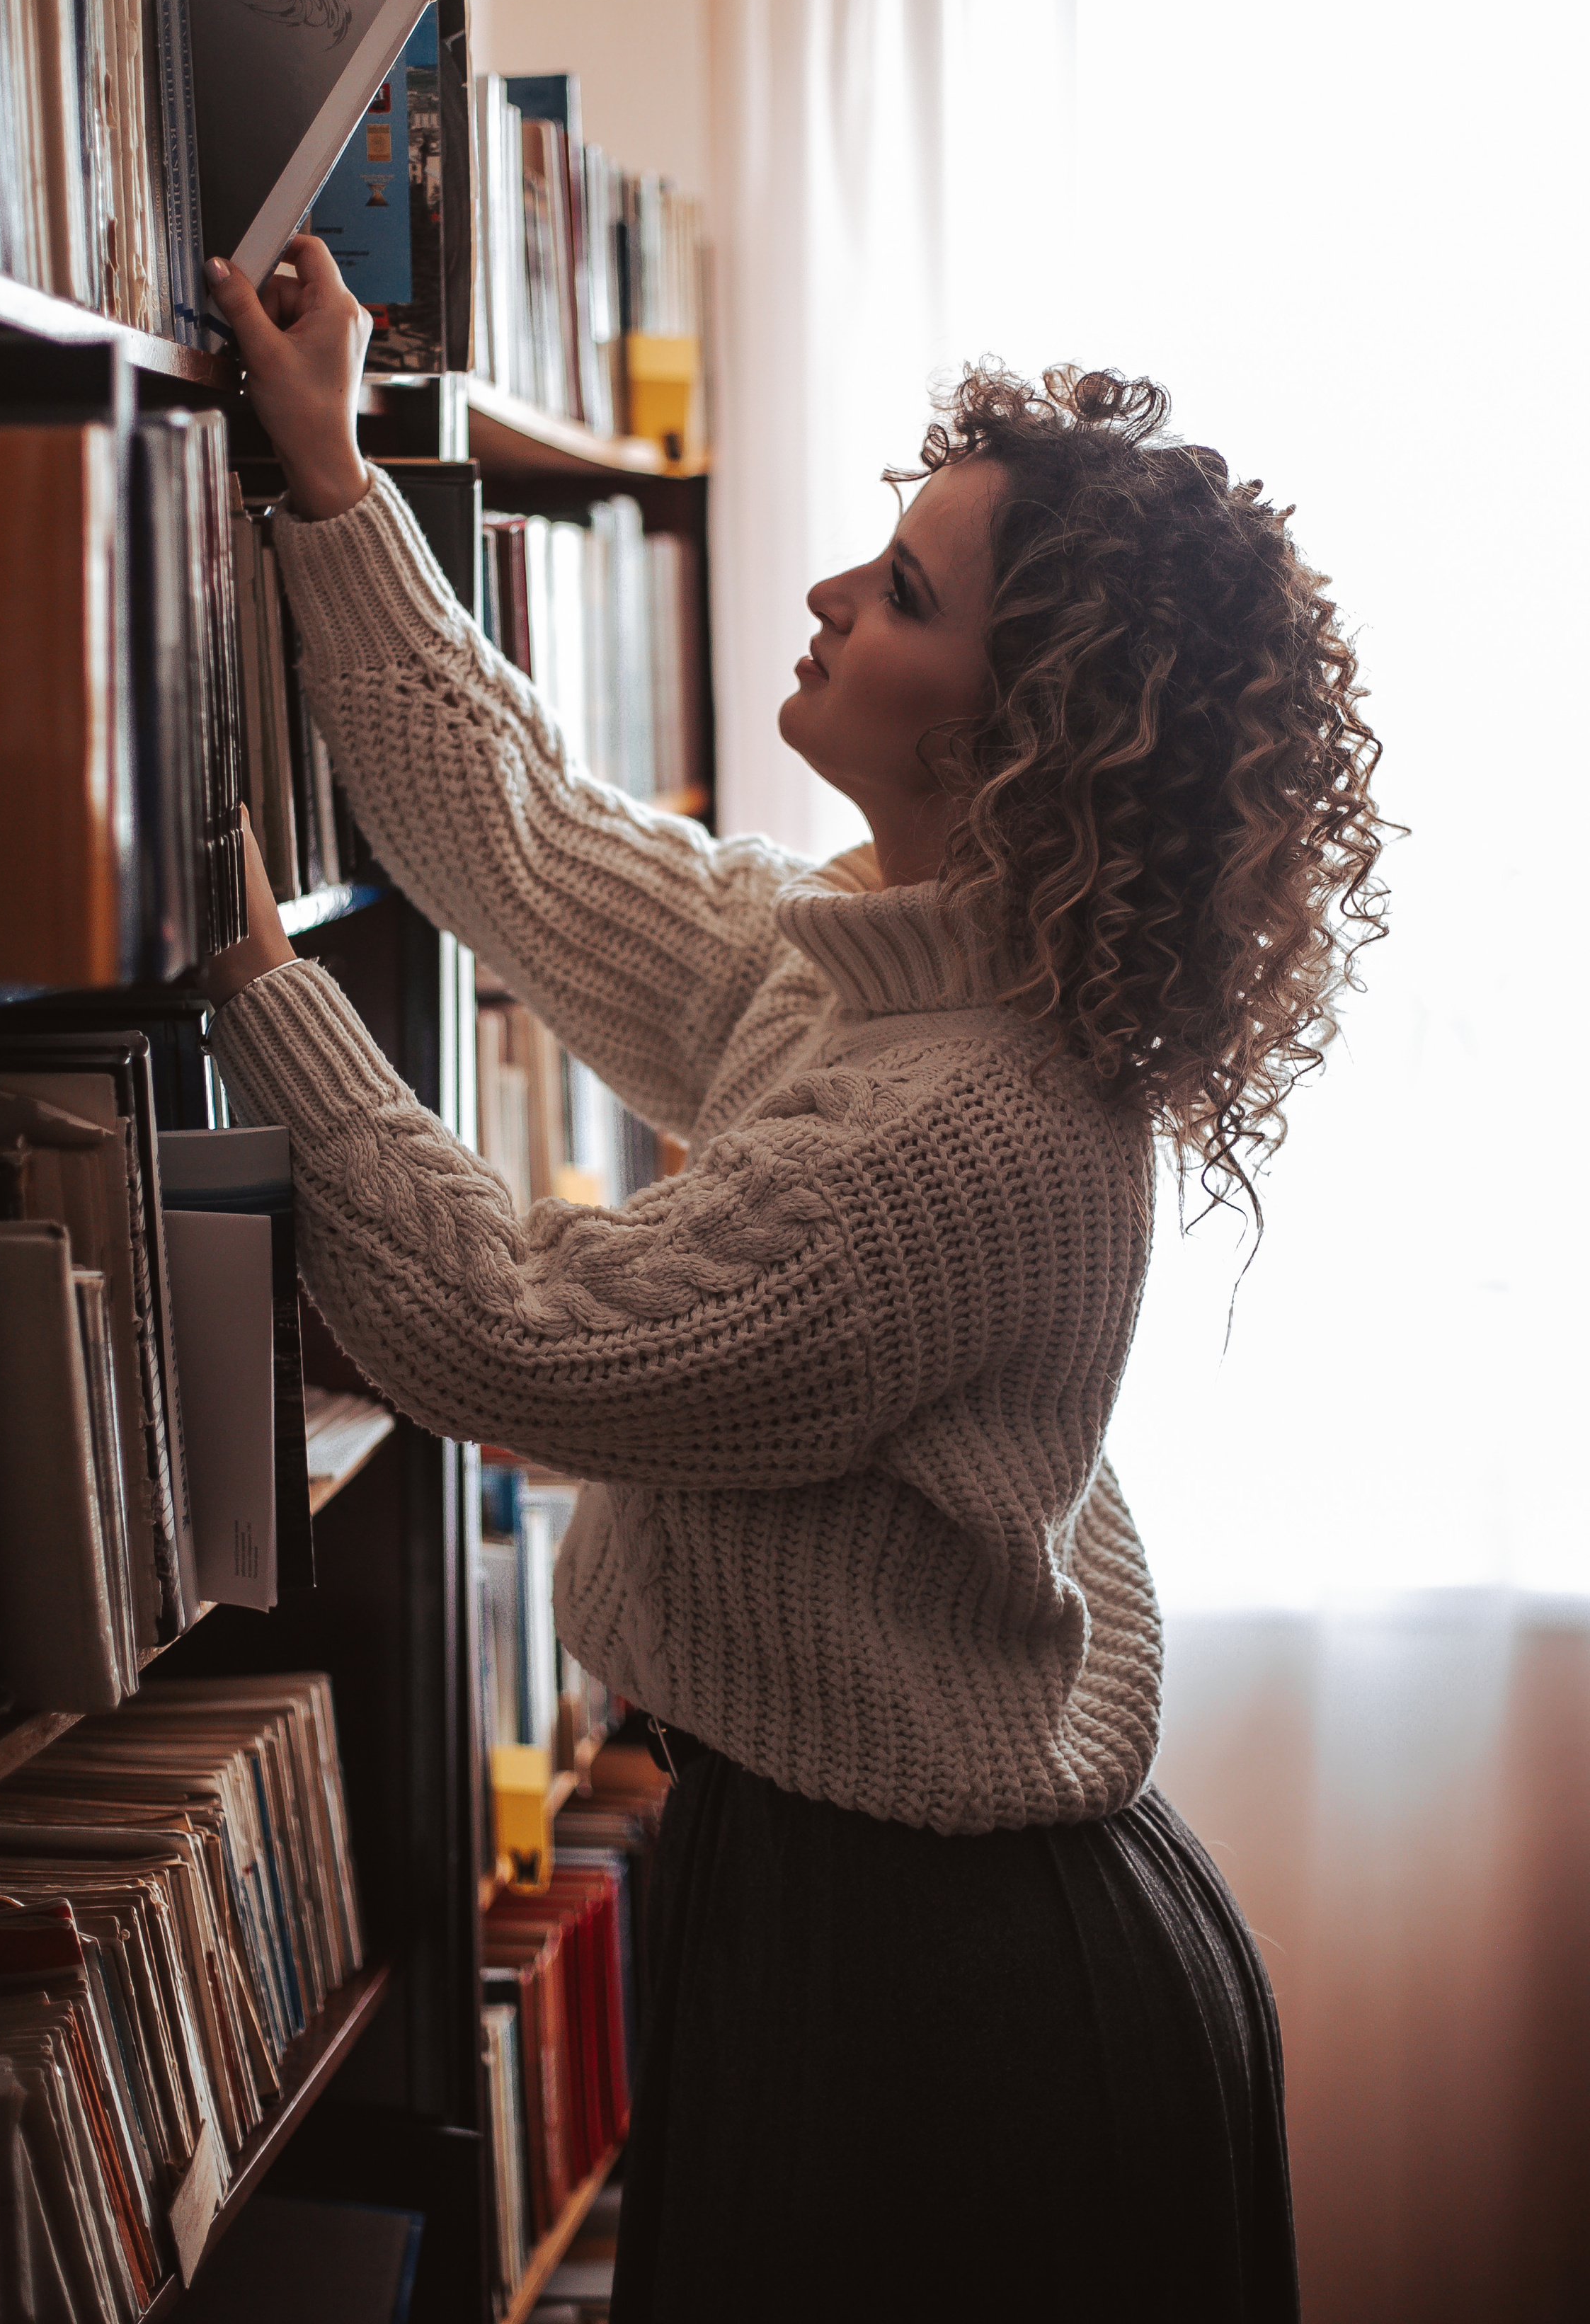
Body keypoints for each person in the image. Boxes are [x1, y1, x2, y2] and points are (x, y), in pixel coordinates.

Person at [202, 236, 1390, 2321]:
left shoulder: (966, 1132)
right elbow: (536, 845)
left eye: (909, 594)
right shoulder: (886, 964)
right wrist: (330, 485)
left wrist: (263, 1011)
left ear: (1022, 742)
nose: (840, 595)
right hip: (859, 1902)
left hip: (956, 1988)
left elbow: (515, 1338)